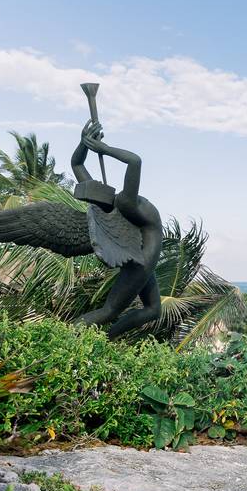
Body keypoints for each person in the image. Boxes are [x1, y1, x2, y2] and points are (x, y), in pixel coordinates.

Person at [71, 120, 163, 338]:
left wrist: (84, 142)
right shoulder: (126, 202)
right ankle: (69, 335)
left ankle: (110, 337)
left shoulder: (107, 201)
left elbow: (77, 166)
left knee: (153, 310)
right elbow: (135, 161)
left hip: (140, 257)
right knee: (110, 310)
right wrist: (104, 149)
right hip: (143, 260)